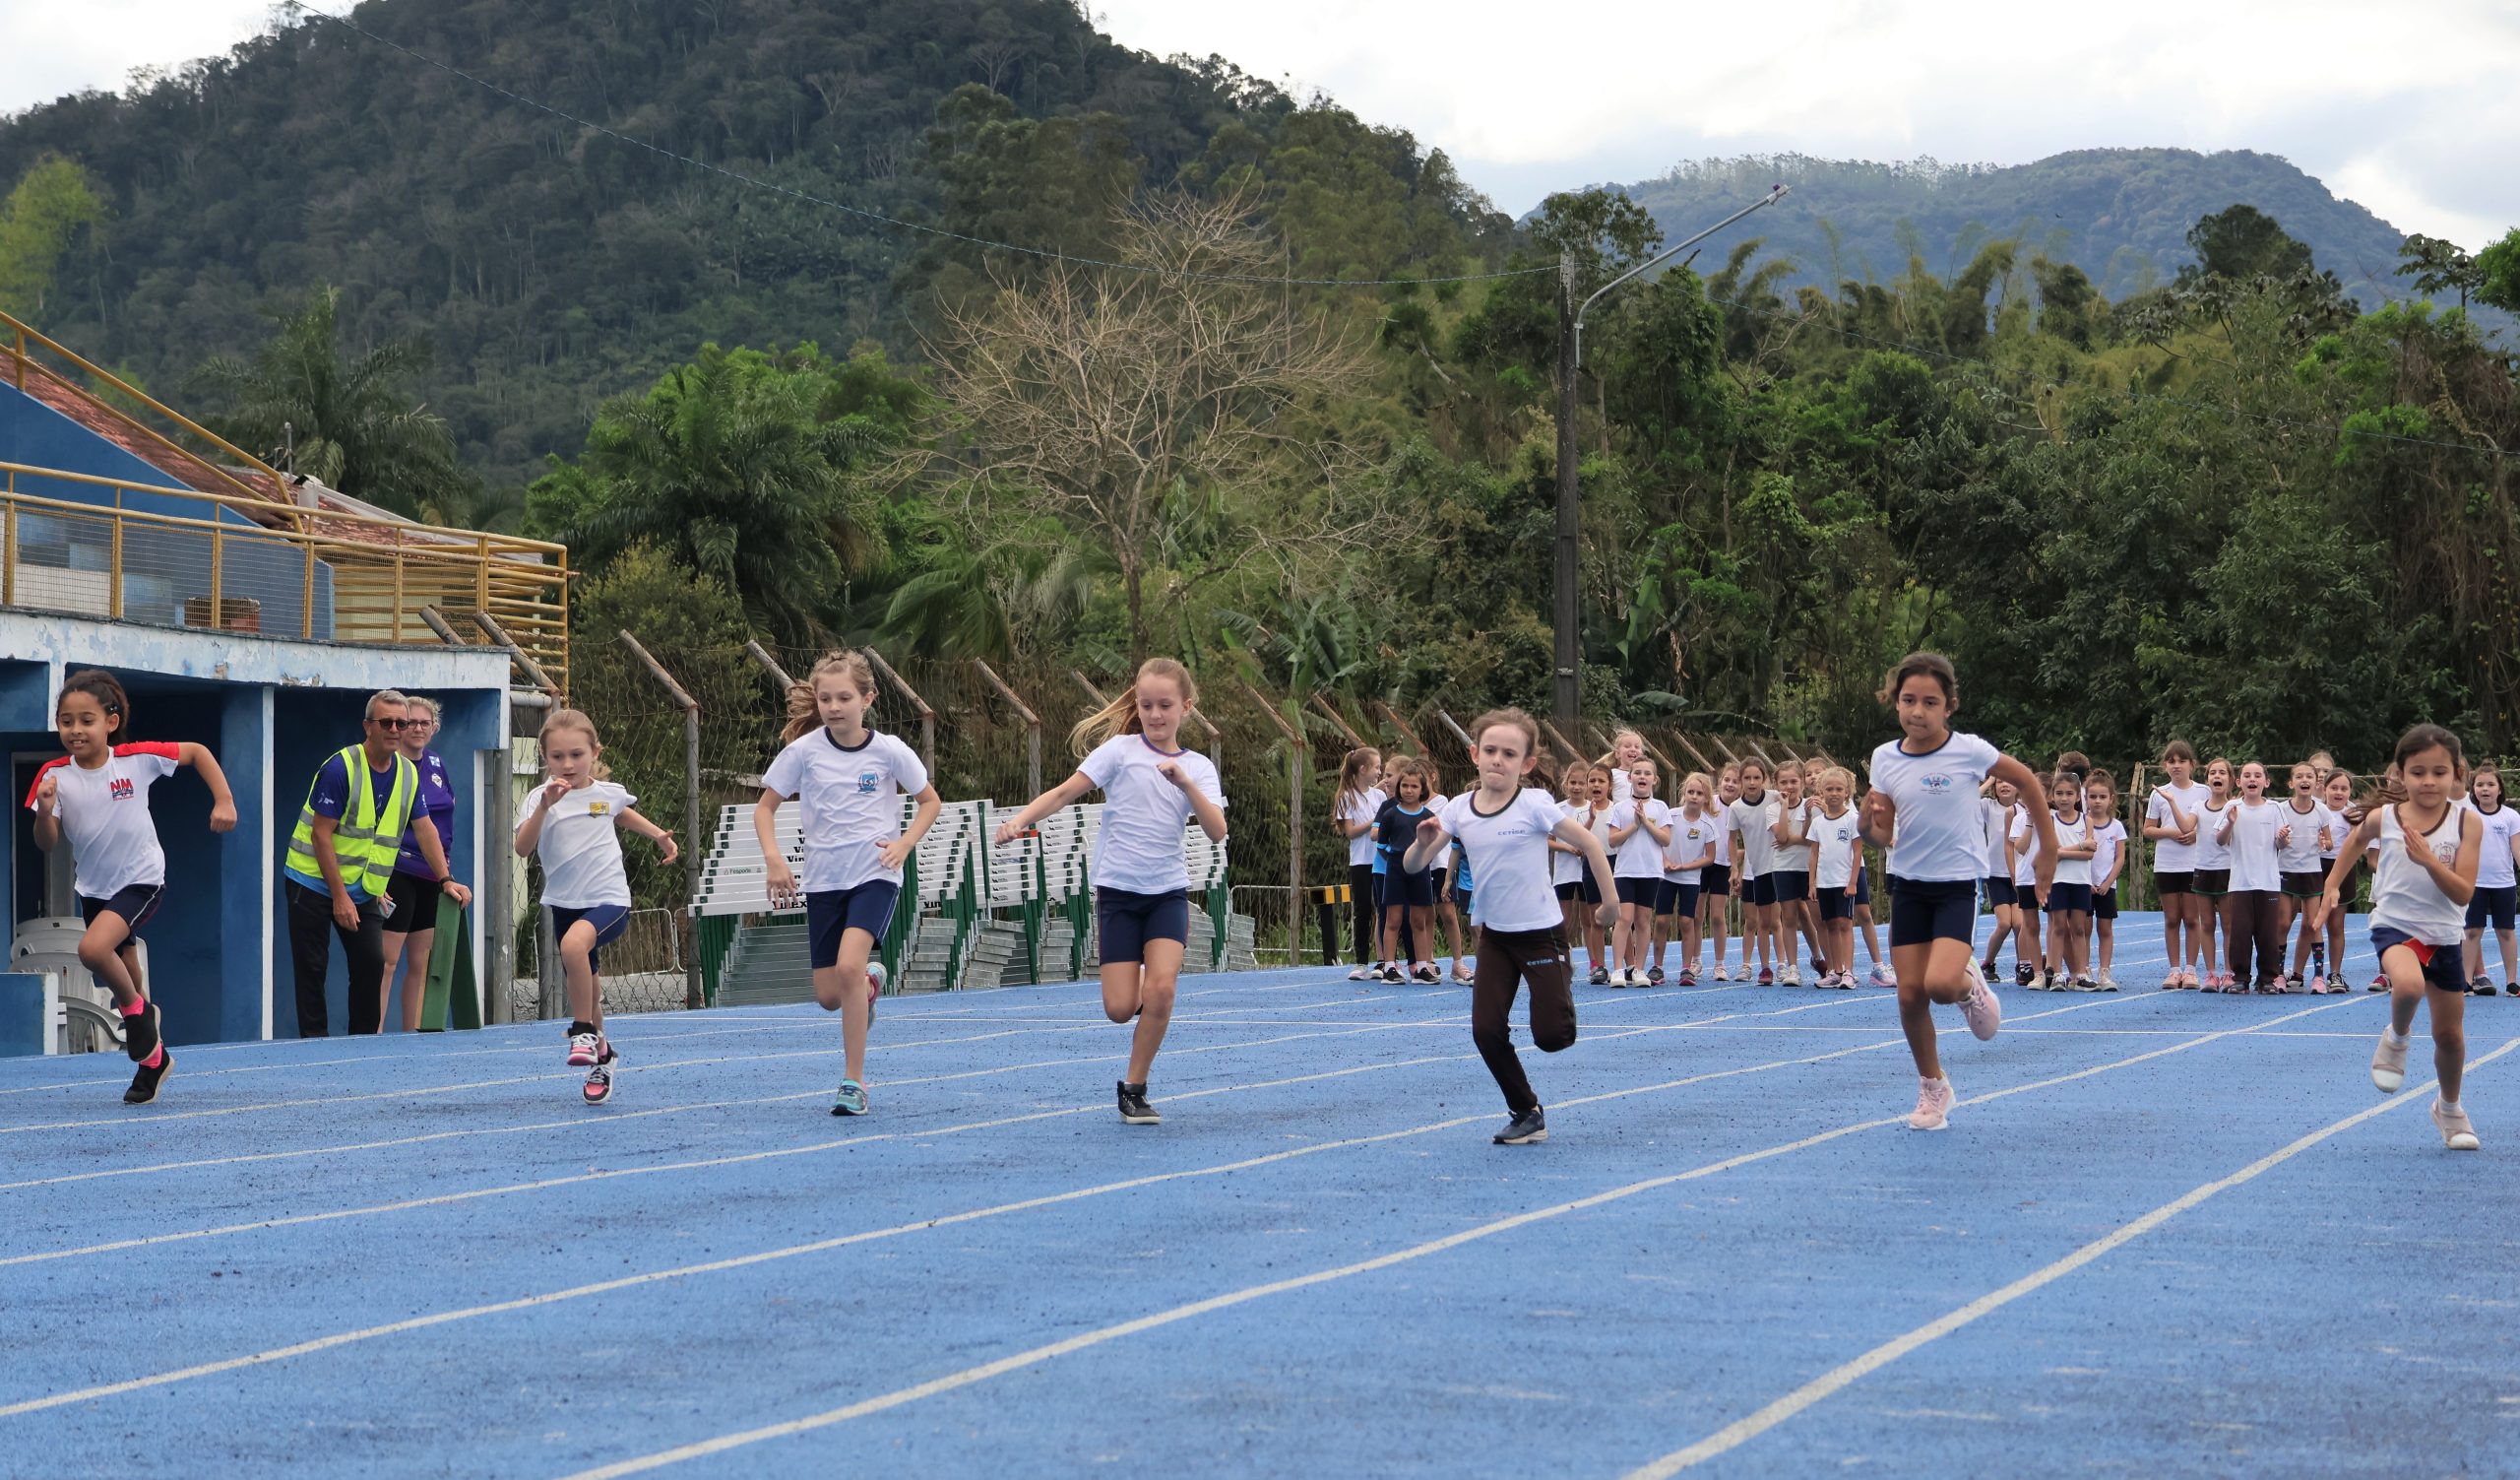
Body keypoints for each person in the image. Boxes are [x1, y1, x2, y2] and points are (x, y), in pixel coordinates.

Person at [992, 658, 1228, 1126]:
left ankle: (1135, 1088)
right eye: (1146, 706)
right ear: (1136, 706)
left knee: (1161, 991)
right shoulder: (1119, 752)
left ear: (1186, 707)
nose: (1156, 715)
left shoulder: (1197, 766)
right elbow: (1062, 793)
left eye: (1165, 706)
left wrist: (1184, 784)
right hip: (1118, 893)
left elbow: (1217, 830)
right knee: (1120, 1009)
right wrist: (1020, 820)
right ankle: (1144, 1001)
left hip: (1166, 894)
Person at [1406, 708, 1618, 1145]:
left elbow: (1591, 843)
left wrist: (1611, 904)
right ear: (1474, 755)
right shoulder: (1459, 810)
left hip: (1542, 933)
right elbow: (1414, 865)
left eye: (1509, 753)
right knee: (1485, 1030)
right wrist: (1421, 845)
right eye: (1490, 750)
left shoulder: (1535, 804)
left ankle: (1559, 985)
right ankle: (1526, 1111)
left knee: (1553, 1037)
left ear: (1526, 764)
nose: (1497, 759)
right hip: (1496, 938)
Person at [1861, 652, 2054, 1131]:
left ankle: (1970, 985)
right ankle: (1933, 1088)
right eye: (1908, 700)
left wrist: (2047, 846)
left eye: (1930, 702)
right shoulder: (1885, 759)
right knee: (1909, 995)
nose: (1917, 711)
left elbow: (2027, 779)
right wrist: (1868, 825)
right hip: (1907, 885)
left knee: (1941, 986)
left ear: (1949, 706)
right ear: (1894, 702)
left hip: (1955, 887)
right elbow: (1880, 835)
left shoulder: (1969, 751)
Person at [26, 670, 235, 1104]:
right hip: (95, 887)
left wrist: (224, 799)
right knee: (125, 965)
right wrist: (46, 812)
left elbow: (196, 752)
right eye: (66, 721)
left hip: (142, 878)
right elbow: (47, 844)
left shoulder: (135, 759)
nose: (75, 730)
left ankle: (139, 1021)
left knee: (92, 951)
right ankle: (153, 1062)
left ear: (111, 722)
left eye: (87, 720)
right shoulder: (53, 774)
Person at [756, 651, 942, 1116]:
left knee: (846, 967)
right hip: (824, 881)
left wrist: (903, 845)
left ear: (867, 699)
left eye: (844, 697)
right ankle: (869, 984)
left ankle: (854, 1081)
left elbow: (930, 802)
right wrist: (775, 861)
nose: (834, 706)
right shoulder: (802, 752)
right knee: (828, 996)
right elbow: (765, 808)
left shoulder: (889, 750)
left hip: (874, 874)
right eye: (825, 698)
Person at [2313, 725, 2483, 1149]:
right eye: (2418, 771)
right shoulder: (2385, 817)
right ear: (2401, 775)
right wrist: (2333, 884)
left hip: (2445, 934)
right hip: (2394, 924)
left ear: (2457, 773)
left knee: (2450, 1038)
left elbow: (2463, 891)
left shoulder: (2468, 822)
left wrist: (2428, 861)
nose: (2429, 781)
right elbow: (2355, 841)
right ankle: (2398, 1037)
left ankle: (2449, 1108)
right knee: (2406, 984)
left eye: (2439, 772)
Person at [514, 708, 677, 1105]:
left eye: (576, 755)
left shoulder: (606, 793)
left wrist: (659, 836)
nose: (567, 764)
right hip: (566, 903)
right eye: (557, 757)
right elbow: (522, 847)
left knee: (572, 947)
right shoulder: (539, 798)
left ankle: (582, 1030)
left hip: (610, 900)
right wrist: (545, 808)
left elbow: (621, 813)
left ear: (594, 752)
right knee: (591, 989)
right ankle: (602, 1058)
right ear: (544, 757)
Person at [284, 690, 471, 1038]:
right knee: (312, 968)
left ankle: (363, 1045)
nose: (396, 728)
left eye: (402, 722)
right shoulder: (341, 768)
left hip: (362, 887)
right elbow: (321, 836)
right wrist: (338, 897)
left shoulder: (408, 774)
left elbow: (425, 828)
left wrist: (445, 879)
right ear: (368, 726)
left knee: (372, 962)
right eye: (386, 722)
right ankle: (313, 1046)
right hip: (310, 881)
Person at [377, 696, 457, 1032]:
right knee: (387, 962)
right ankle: (373, 1031)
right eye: (411, 723)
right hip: (397, 871)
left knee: (421, 963)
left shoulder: (437, 765)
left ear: (434, 728)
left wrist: (446, 874)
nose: (418, 729)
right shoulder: (388, 766)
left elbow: (443, 822)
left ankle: (414, 1036)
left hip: (430, 875)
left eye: (426, 723)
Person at [2144, 741, 2209, 990]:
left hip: (2194, 863)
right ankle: (2174, 970)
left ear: (2192, 765)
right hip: (2167, 863)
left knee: (2192, 918)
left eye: (2182, 761)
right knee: (2172, 918)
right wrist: (2171, 832)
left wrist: (2195, 834)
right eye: (2171, 761)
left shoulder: (2203, 792)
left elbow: (2212, 824)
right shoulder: (2158, 793)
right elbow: (2148, 829)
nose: (2176, 765)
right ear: (2165, 766)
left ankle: (2191, 970)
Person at [1370, 759, 1441, 984]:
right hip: (1394, 872)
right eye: (1405, 786)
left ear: (1422, 789)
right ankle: (1389, 967)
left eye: (1414, 786)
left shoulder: (1428, 815)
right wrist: (1396, 863)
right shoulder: (1390, 814)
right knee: (1393, 919)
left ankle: (1421, 967)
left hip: (1420, 872)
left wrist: (1420, 861)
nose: (1409, 791)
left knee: (1419, 920)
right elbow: (1381, 846)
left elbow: (1433, 845)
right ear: (1399, 788)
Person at [2275, 761, 2341, 992]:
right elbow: (2275, 842)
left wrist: (2325, 843)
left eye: (2309, 777)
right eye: (2299, 776)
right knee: (2282, 922)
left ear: (2315, 782)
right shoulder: (2281, 809)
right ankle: (2278, 974)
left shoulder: (2321, 810)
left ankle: (2319, 977)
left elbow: (2330, 843)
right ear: (2291, 782)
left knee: (2314, 924)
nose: (2305, 780)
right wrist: (2282, 840)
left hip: (2311, 872)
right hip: (2285, 871)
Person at [1606, 758, 1670, 986]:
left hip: (1650, 872)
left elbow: (1665, 839)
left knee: (1643, 920)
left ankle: (1640, 970)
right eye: (1638, 773)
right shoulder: (1620, 808)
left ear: (1654, 779)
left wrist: (1646, 823)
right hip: (1625, 871)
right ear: (1629, 778)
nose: (1642, 777)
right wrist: (1634, 825)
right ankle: (1617, 970)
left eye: (1647, 773)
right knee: (1624, 919)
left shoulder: (1660, 807)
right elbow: (1612, 841)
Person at [2460, 765, 2520, 996]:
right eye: (2480, 785)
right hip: (2473, 882)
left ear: (2499, 789)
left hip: (2503, 884)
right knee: (2472, 931)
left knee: (2505, 931)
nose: (2485, 789)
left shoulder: (2511, 817)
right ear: (2473, 789)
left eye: (2490, 784)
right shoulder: (2467, 815)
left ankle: (2512, 982)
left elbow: (2516, 849)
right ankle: (2465, 981)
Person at [1807, 766, 1863, 988]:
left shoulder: (1852, 819)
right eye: (1829, 789)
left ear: (1847, 792)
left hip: (1843, 882)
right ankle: (1835, 970)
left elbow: (1857, 851)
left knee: (1844, 924)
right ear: (1821, 792)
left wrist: (1852, 881)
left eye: (1839, 789)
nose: (1834, 793)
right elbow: (1813, 854)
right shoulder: (1818, 823)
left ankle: (1849, 971)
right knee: (1830, 924)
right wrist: (1812, 882)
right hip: (1824, 882)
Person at [1727, 758, 1781, 985]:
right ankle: (1747, 965)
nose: (1751, 782)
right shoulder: (1736, 808)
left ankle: (1783, 965)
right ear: (1740, 781)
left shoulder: (1775, 798)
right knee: (1752, 922)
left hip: (1776, 867)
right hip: (1751, 870)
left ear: (1764, 779)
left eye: (1756, 777)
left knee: (1775, 922)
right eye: (1747, 778)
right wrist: (1734, 870)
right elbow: (1732, 839)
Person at [2041, 771, 2097, 990]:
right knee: (2058, 927)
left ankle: (2081, 974)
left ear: (2077, 796)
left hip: (2081, 880)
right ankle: (2057, 973)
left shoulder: (2086, 820)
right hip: (2058, 880)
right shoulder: (2050, 820)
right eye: (2059, 793)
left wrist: (2065, 852)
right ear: (2052, 796)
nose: (2064, 798)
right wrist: (2081, 846)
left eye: (2069, 793)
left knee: (2079, 928)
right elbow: (2052, 852)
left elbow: (2090, 854)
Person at [1334, 747, 1386, 981]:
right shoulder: (1346, 798)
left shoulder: (1379, 797)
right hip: (1361, 861)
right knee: (1362, 910)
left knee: (1384, 909)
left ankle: (1385, 960)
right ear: (1363, 769)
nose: (1379, 771)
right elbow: (1351, 832)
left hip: (1382, 859)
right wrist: (1374, 821)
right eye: (1376, 767)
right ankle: (1362, 961)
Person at [1665, 772, 1720, 987]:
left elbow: (1710, 857)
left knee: (1687, 921)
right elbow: (1658, 841)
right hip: (1667, 877)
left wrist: (1685, 866)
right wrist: (1665, 861)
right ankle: (1656, 967)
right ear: (1684, 794)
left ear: (1706, 798)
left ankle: (1686, 968)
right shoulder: (1670, 816)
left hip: (1689, 879)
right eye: (1691, 792)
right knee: (1661, 921)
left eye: (1700, 793)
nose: (1694, 796)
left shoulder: (1708, 826)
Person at [2084, 770, 2128, 991]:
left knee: (2105, 928)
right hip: (2084, 885)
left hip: (2106, 886)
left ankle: (2104, 970)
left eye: (2102, 797)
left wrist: (2107, 882)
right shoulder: (2082, 823)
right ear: (2085, 798)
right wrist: (2088, 882)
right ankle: (2084, 970)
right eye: (2093, 796)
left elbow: (2120, 857)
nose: (2097, 801)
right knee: (2084, 929)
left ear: (2111, 798)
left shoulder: (2116, 826)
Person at [1700, 765, 1739, 980]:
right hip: (1699, 864)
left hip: (1722, 865)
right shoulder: (1708, 802)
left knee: (1717, 916)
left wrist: (1736, 865)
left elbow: (1735, 841)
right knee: (1695, 916)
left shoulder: (1740, 808)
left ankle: (1719, 964)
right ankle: (1695, 961)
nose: (1730, 784)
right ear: (1719, 782)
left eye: (1735, 781)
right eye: (1727, 779)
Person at [2321, 769, 2359, 988]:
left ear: (2350, 792)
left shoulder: (2353, 813)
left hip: (2342, 869)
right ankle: (2299, 973)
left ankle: (2335, 973)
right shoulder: (2316, 809)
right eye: (2334, 787)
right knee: (2310, 924)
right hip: (2315, 868)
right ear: (2324, 789)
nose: (2338, 792)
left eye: (2344, 788)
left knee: (2336, 925)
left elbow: (2359, 845)